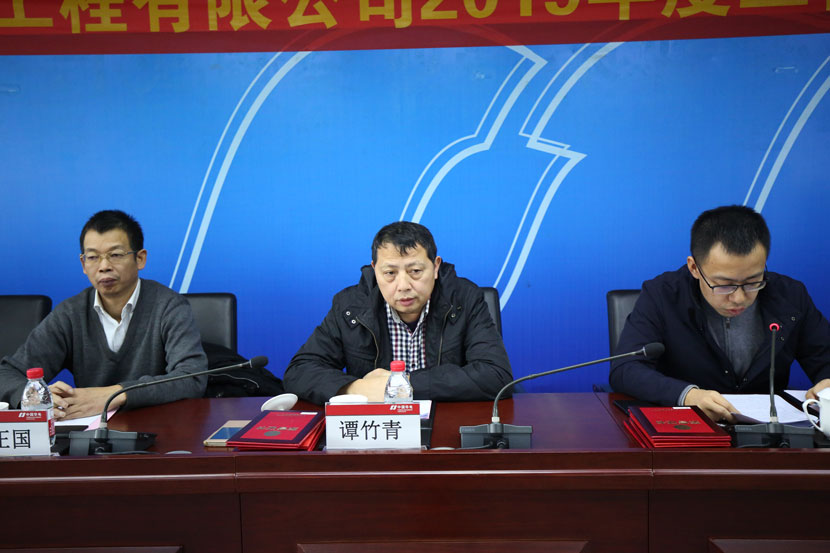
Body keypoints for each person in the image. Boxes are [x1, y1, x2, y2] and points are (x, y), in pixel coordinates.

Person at [610, 205, 830, 422]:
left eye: (753, 281)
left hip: (769, 433)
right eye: (724, 285)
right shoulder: (663, 295)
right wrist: (687, 395)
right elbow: (626, 369)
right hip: (687, 428)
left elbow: (824, 357)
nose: (739, 298)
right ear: (694, 268)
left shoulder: (790, 296)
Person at [0, 210, 207, 419]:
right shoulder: (71, 313)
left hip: (159, 426)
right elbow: (6, 374)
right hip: (89, 433)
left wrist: (114, 394)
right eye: (93, 257)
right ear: (83, 264)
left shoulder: (169, 306)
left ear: (140, 258)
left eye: (115, 255)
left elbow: (192, 377)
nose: (104, 266)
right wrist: (34, 397)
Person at [284, 221, 513, 404]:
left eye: (415, 271)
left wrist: (401, 386)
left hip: (444, 425)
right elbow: (300, 372)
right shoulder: (349, 306)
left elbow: (496, 375)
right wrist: (358, 389)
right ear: (375, 270)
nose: (403, 285)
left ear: (435, 267)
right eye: (390, 273)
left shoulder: (464, 299)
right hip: (376, 430)